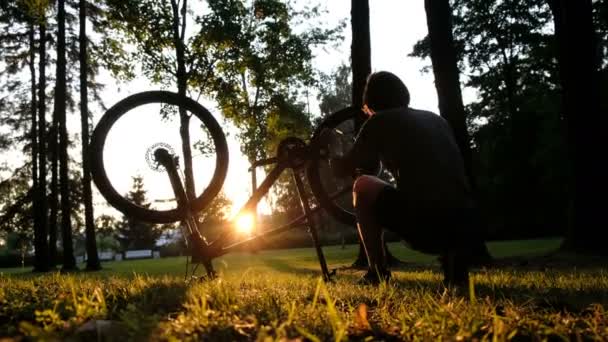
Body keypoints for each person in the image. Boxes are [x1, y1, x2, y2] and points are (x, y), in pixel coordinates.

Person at [328, 71, 481, 287]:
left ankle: (377, 272)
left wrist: (333, 145)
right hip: (466, 224)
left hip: (426, 225)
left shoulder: (379, 121)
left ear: (370, 102)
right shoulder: (436, 119)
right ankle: (454, 264)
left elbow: (342, 170)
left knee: (361, 186)